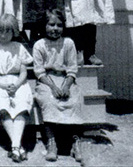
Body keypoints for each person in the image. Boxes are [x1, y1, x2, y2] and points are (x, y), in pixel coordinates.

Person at [33, 9, 84, 162]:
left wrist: (67, 86)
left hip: (65, 79)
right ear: (44, 26)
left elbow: (72, 68)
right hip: (46, 80)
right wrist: (53, 87)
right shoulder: (39, 45)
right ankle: (51, 142)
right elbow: (39, 71)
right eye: (51, 24)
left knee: (74, 100)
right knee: (49, 101)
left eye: (59, 25)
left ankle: (76, 142)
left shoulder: (68, 43)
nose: (55, 28)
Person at [0, 13, 33, 162]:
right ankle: (17, 146)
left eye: (8, 31)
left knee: (21, 106)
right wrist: (3, 86)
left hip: (17, 82)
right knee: (4, 108)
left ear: (14, 32)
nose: (3, 35)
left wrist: (17, 85)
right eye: (0, 31)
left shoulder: (19, 47)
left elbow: (23, 71)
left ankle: (14, 146)